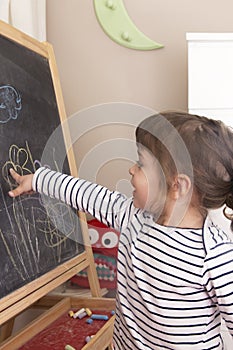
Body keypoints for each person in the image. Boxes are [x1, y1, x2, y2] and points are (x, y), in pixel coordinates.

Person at [8, 111, 233, 349]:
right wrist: (39, 180)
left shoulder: (215, 256)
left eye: (141, 164)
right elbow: (88, 194)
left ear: (177, 185)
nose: (131, 170)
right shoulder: (133, 218)